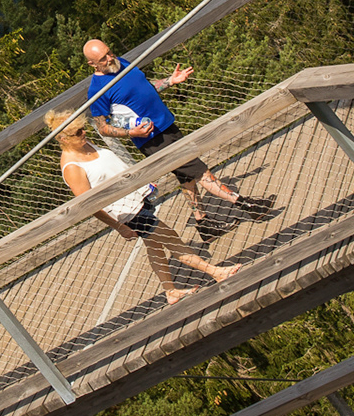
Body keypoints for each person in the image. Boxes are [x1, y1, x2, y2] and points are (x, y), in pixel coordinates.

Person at [81, 40, 273, 241]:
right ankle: (247, 205)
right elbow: (103, 128)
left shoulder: (121, 63)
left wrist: (169, 81)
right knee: (198, 170)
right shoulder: (97, 90)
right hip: (152, 140)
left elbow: (144, 89)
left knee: (186, 176)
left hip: (166, 124)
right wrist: (131, 133)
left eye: (109, 52)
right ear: (92, 64)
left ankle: (203, 223)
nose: (110, 58)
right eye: (103, 58)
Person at [45, 109, 237, 303]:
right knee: (170, 238)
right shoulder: (72, 167)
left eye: (82, 129)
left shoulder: (86, 145)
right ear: (63, 138)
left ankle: (170, 291)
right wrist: (119, 227)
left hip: (137, 198)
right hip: (126, 214)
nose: (83, 133)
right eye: (77, 133)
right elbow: (89, 206)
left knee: (154, 246)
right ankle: (215, 272)